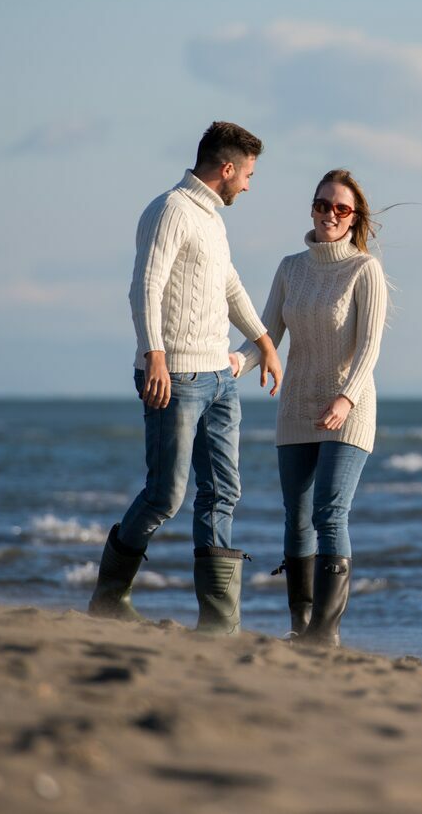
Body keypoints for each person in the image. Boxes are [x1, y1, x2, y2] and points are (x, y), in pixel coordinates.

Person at [88, 121, 283, 636]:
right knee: (165, 495)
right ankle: (109, 597)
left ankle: (219, 623)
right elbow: (145, 286)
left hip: (220, 376)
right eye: (247, 174)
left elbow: (230, 285)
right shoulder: (170, 210)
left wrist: (262, 340)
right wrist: (154, 354)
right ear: (226, 169)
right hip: (174, 377)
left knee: (223, 491)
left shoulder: (212, 219)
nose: (248, 184)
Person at [232, 168, 389, 647]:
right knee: (296, 517)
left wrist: (346, 397)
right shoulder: (290, 269)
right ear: (312, 208)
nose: (330, 215)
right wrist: (236, 360)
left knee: (329, 513)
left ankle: (326, 631)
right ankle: (300, 626)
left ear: (354, 216)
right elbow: (267, 335)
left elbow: (370, 347)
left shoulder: (365, 270)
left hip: (350, 408)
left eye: (341, 208)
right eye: (323, 205)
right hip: (298, 405)